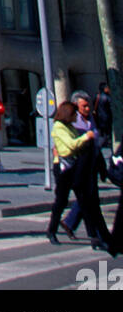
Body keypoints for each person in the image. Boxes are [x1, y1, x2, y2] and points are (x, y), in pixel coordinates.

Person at [46, 101, 111, 251]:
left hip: (75, 167)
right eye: (74, 113)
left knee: (85, 201)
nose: (77, 116)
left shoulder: (70, 127)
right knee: (61, 201)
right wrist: (86, 137)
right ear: (68, 114)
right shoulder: (58, 128)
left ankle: (94, 237)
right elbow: (70, 146)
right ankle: (51, 230)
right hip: (63, 168)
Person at [60, 89, 105, 240]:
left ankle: (69, 223)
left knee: (88, 199)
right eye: (84, 106)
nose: (88, 109)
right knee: (89, 200)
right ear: (75, 106)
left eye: (88, 105)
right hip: (79, 166)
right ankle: (96, 235)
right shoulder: (73, 122)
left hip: (92, 163)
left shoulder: (91, 119)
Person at [94, 83, 113, 149]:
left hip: (99, 117)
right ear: (104, 89)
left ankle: (104, 143)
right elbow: (111, 107)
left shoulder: (97, 96)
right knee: (108, 132)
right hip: (106, 117)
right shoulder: (107, 97)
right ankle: (108, 143)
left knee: (102, 133)